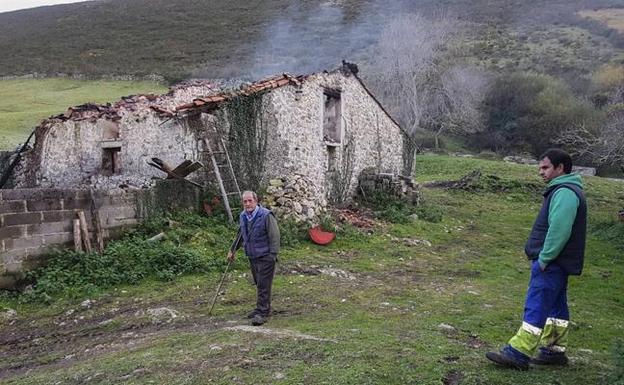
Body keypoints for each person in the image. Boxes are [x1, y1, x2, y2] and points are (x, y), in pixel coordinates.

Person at [486, 148, 587, 370]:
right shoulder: (567, 190)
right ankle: (553, 351)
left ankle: (518, 353)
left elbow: (559, 229)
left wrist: (544, 258)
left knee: (537, 304)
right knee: (556, 308)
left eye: (545, 167)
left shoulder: (564, 192)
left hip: (552, 263)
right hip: (559, 263)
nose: (540, 172)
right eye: (540, 168)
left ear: (560, 168)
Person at [227, 191, 280, 326]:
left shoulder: (266, 215)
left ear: (256, 201)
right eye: (245, 201)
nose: (247, 204)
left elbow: (275, 236)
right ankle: (262, 308)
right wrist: (232, 250)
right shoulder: (243, 216)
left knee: (263, 284)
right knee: (259, 283)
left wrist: (272, 255)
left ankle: (262, 312)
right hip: (252, 256)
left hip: (266, 256)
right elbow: (241, 235)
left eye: (250, 201)